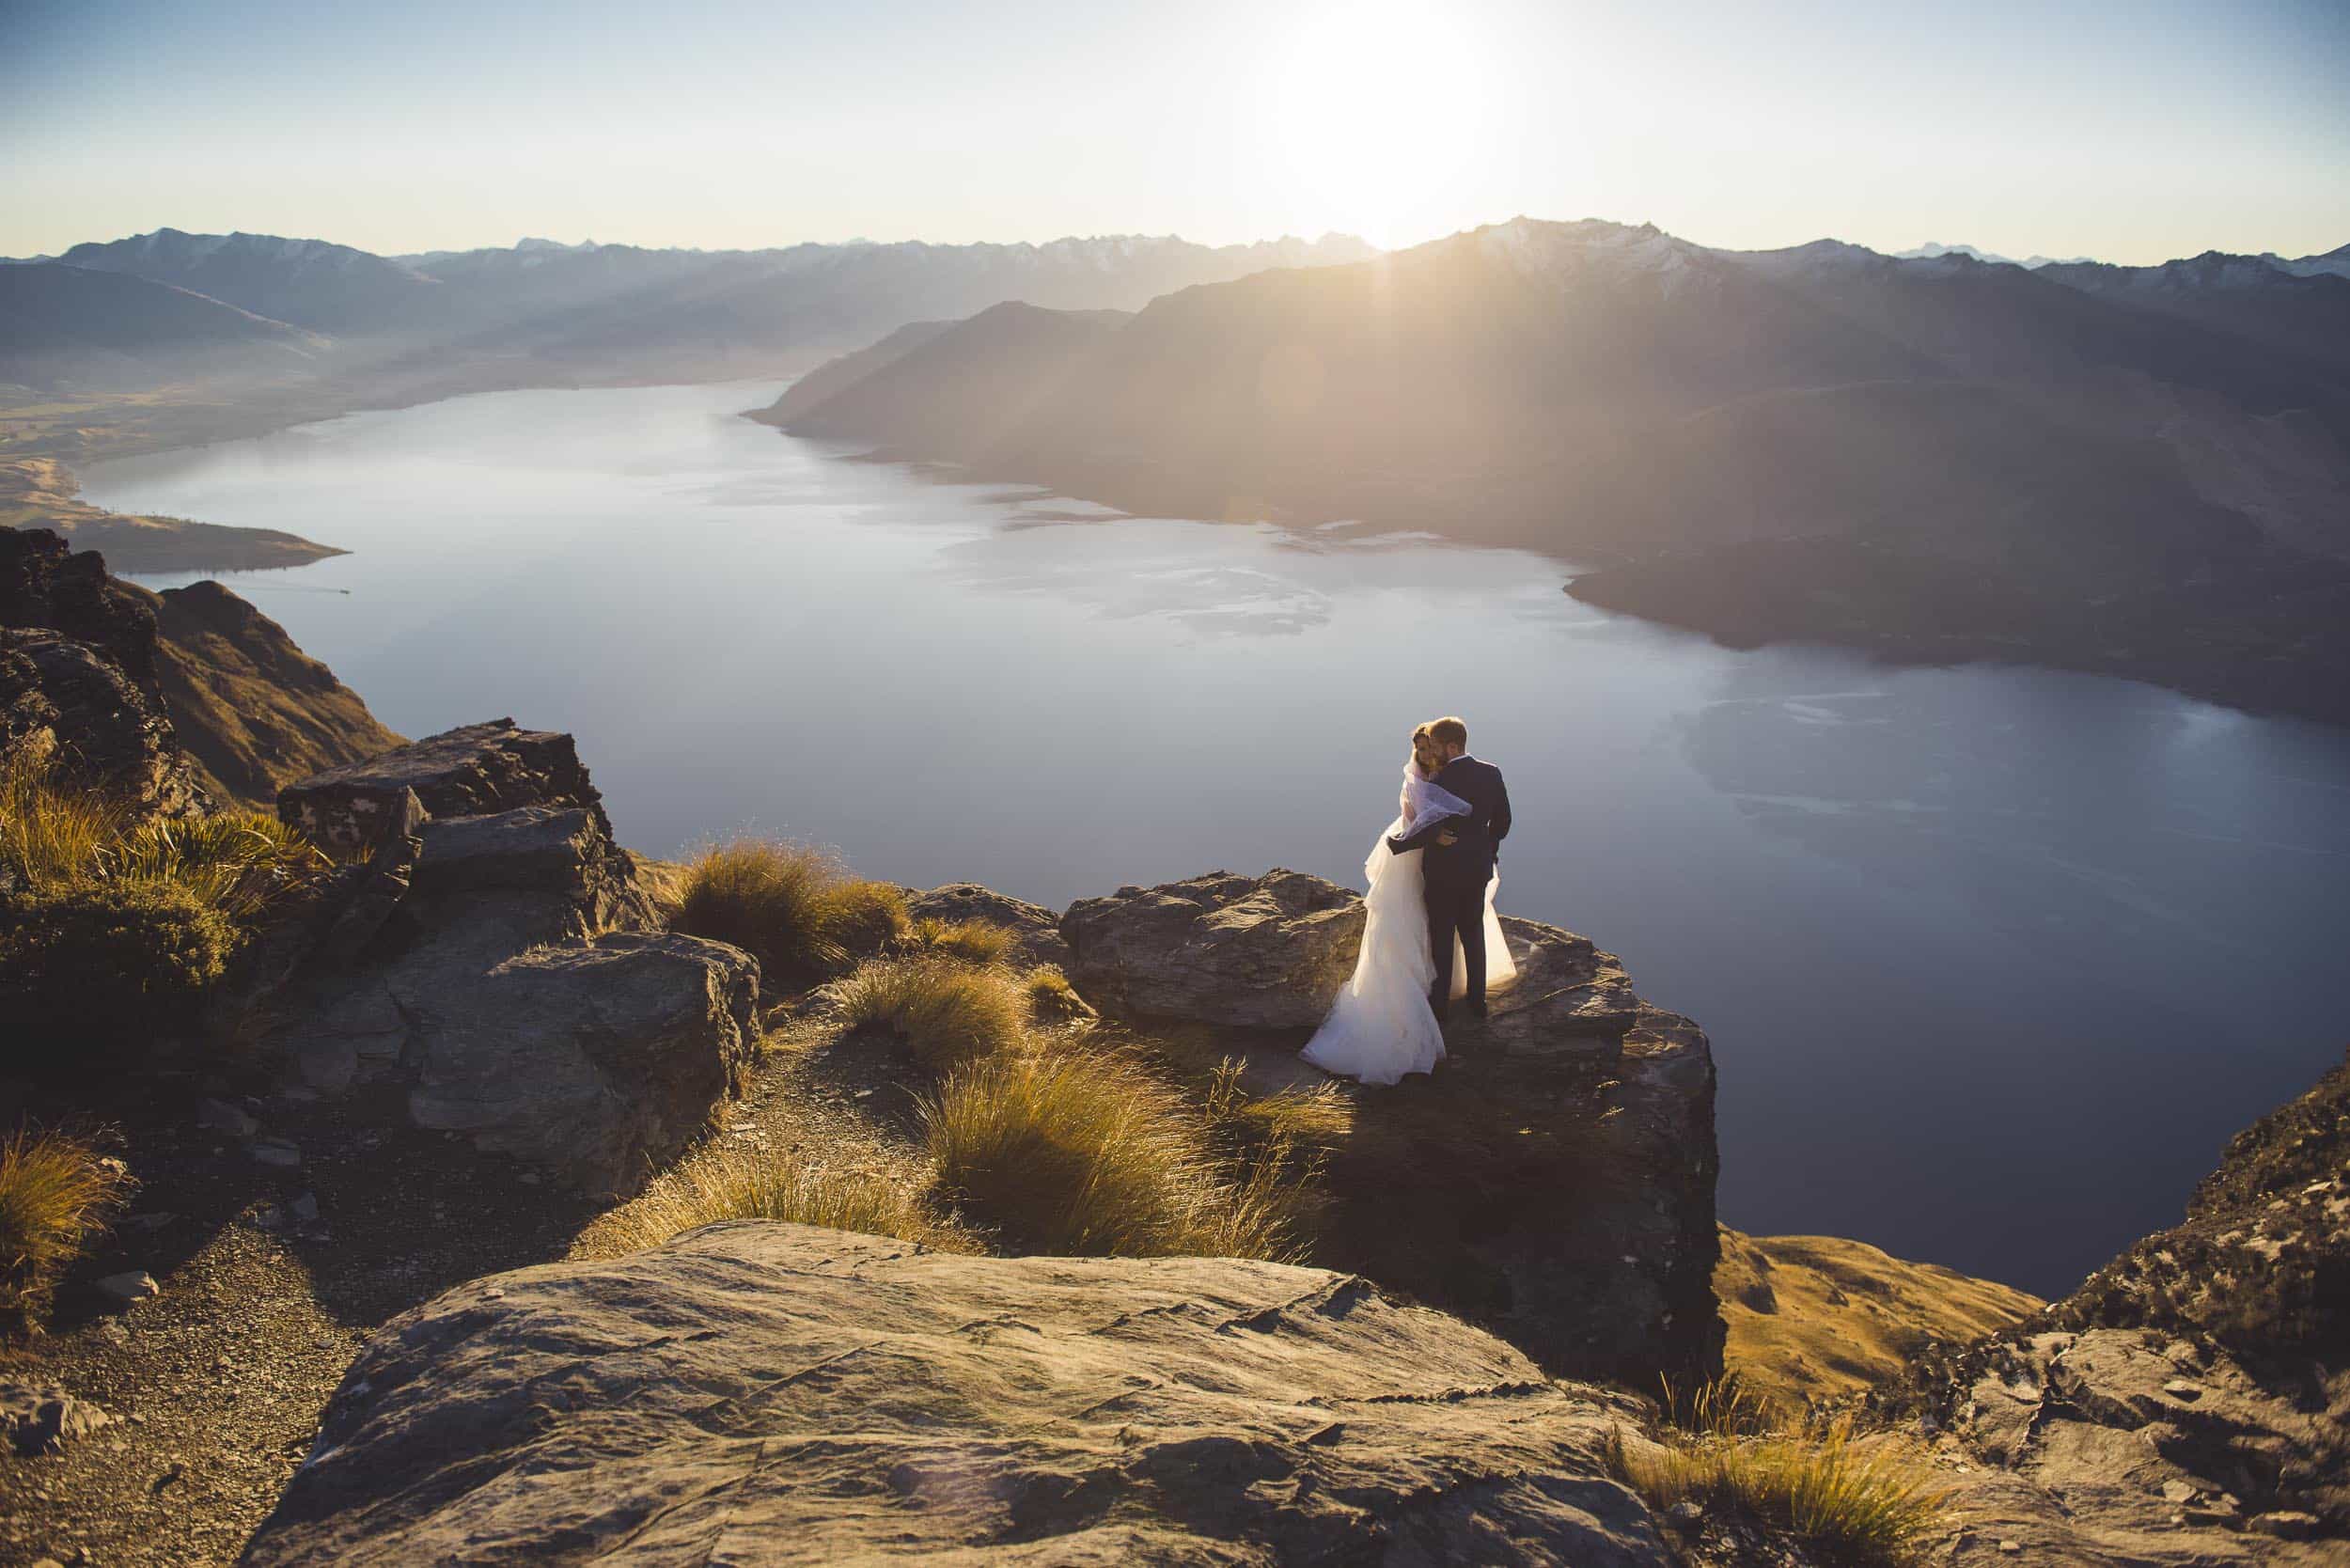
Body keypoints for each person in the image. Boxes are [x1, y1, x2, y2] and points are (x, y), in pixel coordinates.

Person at [1300, 718, 1514, 1085]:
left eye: (1435, 744)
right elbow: (1504, 821)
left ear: (1449, 746)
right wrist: (1485, 847)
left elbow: (1428, 827)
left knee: (1443, 934)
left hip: (1445, 871)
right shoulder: (1491, 772)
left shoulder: (1439, 781)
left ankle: (1441, 1006)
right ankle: (1478, 1001)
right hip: (1477, 867)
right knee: (1473, 930)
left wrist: (1400, 845)